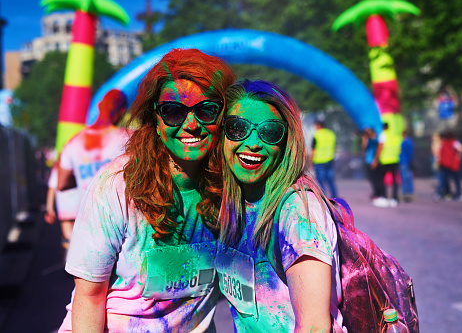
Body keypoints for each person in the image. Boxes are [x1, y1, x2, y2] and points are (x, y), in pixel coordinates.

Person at [58, 49, 235, 332]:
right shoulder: (118, 183)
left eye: (206, 110)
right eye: (174, 111)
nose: (191, 124)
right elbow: (89, 296)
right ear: (154, 118)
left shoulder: (233, 184)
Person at [216, 79, 346, 332]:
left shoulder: (297, 211)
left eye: (270, 132)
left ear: (286, 143)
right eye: (238, 128)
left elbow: (314, 328)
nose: (253, 143)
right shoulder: (234, 204)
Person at [56, 89, 131, 249]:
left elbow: (61, 183)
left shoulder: (73, 143)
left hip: (88, 224)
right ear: (122, 111)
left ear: (98, 106)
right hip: (123, 224)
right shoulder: (128, 138)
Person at [310, 119, 338, 198]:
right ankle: (334, 197)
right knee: (331, 181)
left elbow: (313, 150)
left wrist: (310, 162)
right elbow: (335, 147)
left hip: (319, 161)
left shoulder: (317, 135)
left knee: (320, 182)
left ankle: (324, 199)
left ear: (318, 126)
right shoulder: (331, 134)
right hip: (329, 160)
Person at [377, 122, 401, 207]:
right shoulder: (395, 136)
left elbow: (380, 147)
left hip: (385, 160)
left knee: (381, 179)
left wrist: (376, 159)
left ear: (383, 127)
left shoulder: (383, 135)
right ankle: (395, 198)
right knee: (395, 179)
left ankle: (384, 197)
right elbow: (399, 148)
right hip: (395, 159)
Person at [435, 131, 462, 201]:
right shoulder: (454, 142)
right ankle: (459, 194)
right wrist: (458, 155)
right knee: (457, 180)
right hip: (453, 165)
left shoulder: (443, 143)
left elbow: (439, 152)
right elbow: (461, 148)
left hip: (445, 164)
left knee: (443, 180)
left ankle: (439, 193)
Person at [361, 127, 382, 201]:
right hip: (368, 160)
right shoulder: (368, 140)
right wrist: (364, 138)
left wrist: (375, 161)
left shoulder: (376, 140)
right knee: (372, 178)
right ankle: (376, 192)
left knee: (377, 178)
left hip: (374, 161)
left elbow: (377, 151)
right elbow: (364, 147)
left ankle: (379, 193)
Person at [399, 130, 415, 202]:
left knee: (405, 178)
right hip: (406, 161)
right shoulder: (410, 141)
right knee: (408, 177)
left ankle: (406, 193)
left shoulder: (404, 142)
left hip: (404, 161)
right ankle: (409, 192)